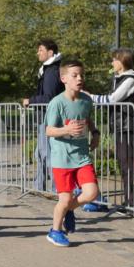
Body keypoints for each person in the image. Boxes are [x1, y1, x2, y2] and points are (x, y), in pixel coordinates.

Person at [44, 59, 100, 247]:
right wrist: (67, 130)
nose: (79, 78)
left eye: (81, 75)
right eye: (74, 75)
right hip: (62, 159)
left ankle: (69, 209)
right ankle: (55, 231)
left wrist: (95, 133)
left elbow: (88, 119)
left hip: (82, 156)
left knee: (92, 193)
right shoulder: (57, 103)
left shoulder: (86, 100)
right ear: (63, 79)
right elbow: (48, 130)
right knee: (65, 198)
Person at [23, 40, 75, 229]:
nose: (38, 53)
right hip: (46, 116)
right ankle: (41, 186)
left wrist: (30, 100)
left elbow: (49, 96)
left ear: (50, 52)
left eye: (41, 50)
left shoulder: (52, 71)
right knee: (41, 152)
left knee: (48, 153)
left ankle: (55, 189)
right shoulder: (48, 69)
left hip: (49, 117)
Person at [84, 48, 134, 209]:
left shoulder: (130, 79)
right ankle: (129, 201)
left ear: (122, 61)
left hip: (127, 127)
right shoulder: (120, 79)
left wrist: (90, 97)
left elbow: (113, 99)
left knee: (128, 164)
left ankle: (133, 203)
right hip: (120, 127)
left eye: (114, 60)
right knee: (123, 164)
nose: (112, 62)